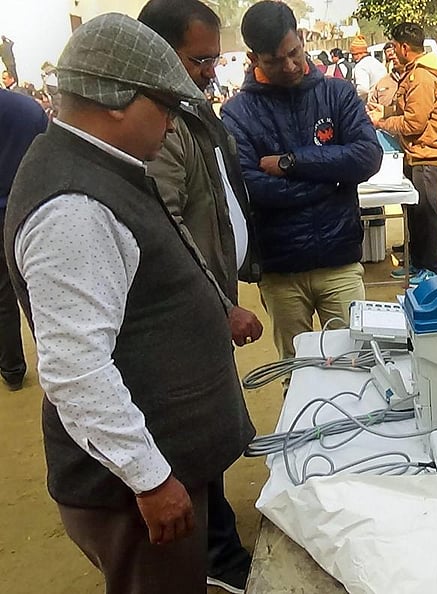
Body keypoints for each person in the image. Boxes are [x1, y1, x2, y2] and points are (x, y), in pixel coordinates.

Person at [4, 13, 255, 593]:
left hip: (161, 466)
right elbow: (75, 371)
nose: (172, 124)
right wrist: (149, 479)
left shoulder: (103, 169)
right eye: (164, 105)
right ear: (114, 99)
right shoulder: (72, 206)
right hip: (132, 491)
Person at [137, 1, 263, 591]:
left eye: (214, 58)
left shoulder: (190, 109)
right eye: (200, 59)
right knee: (195, 437)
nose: (211, 70)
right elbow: (167, 227)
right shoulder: (157, 127)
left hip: (212, 299)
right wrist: (219, 301)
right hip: (191, 309)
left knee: (210, 431)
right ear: (159, 53)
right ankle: (220, 560)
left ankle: (220, 548)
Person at [221, 1, 381, 361]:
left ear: (303, 38)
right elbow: (253, 188)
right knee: (296, 375)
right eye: (275, 60)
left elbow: (368, 157)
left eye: (294, 52)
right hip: (281, 272)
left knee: (357, 364)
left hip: (340, 262)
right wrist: (332, 182)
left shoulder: (337, 94)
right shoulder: (236, 114)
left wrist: (294, 162)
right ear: (253, 57)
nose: (290, 65)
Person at [369, 23, 437, 285]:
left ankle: (432, 266)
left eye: (394, 46)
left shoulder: (423, 78)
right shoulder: (413, 75)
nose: (392, 52)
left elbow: (413, 124)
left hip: (428, 155)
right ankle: (417, 262)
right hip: (415, 154)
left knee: (427, 212)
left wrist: (382, 122)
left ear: (404, 47)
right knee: (415, 211)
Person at [0, 89, 47, 392]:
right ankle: (58, 361)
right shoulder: (28, 108)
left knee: (1, 295)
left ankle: (12, 368)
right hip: (34, 207)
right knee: (43, 289)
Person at [349, 35, 386, 101]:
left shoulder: (360, 66)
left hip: (371, 102)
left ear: (357, 54)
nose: (352, 58)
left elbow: (363, 89)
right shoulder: (377, 63)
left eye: (353, 54)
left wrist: (353, 99)